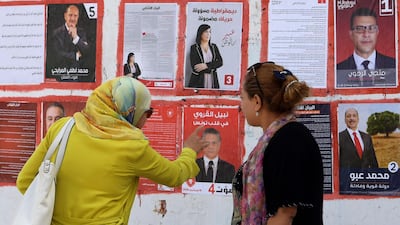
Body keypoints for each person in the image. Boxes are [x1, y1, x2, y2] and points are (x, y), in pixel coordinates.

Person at [16, 77, 208, 224]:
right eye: (146, 112)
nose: (146, 119)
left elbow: (25, 181)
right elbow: (174, 176)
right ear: (129, 111)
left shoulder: (63, 127)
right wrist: (189, 151)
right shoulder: (132, 147)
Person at [232, 62, 323, 225]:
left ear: (257, 101)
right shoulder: (275, 139)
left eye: (242, 98)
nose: (241, 106)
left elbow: (284, 215)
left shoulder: (290, 139)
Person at [49, 4, 91, 79]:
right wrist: (76, 56)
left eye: (75, 16)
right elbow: (57, 55)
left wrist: (75, 37)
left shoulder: (81, 32)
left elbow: (87, 52)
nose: (73, 18)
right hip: (61, 76)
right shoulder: (56, 33)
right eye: (70, 15)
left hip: (78, 76)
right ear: (65, 16)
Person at [188, 24, 223, 89]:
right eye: (206, 32)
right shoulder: (194, 48)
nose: (208, 34)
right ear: (200, 33)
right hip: (198, 80)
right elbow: (195, 67)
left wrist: (206, 65)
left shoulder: (214, 47)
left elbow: (220, 62)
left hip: (213, 79)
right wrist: (212, 66)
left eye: (209, 32)